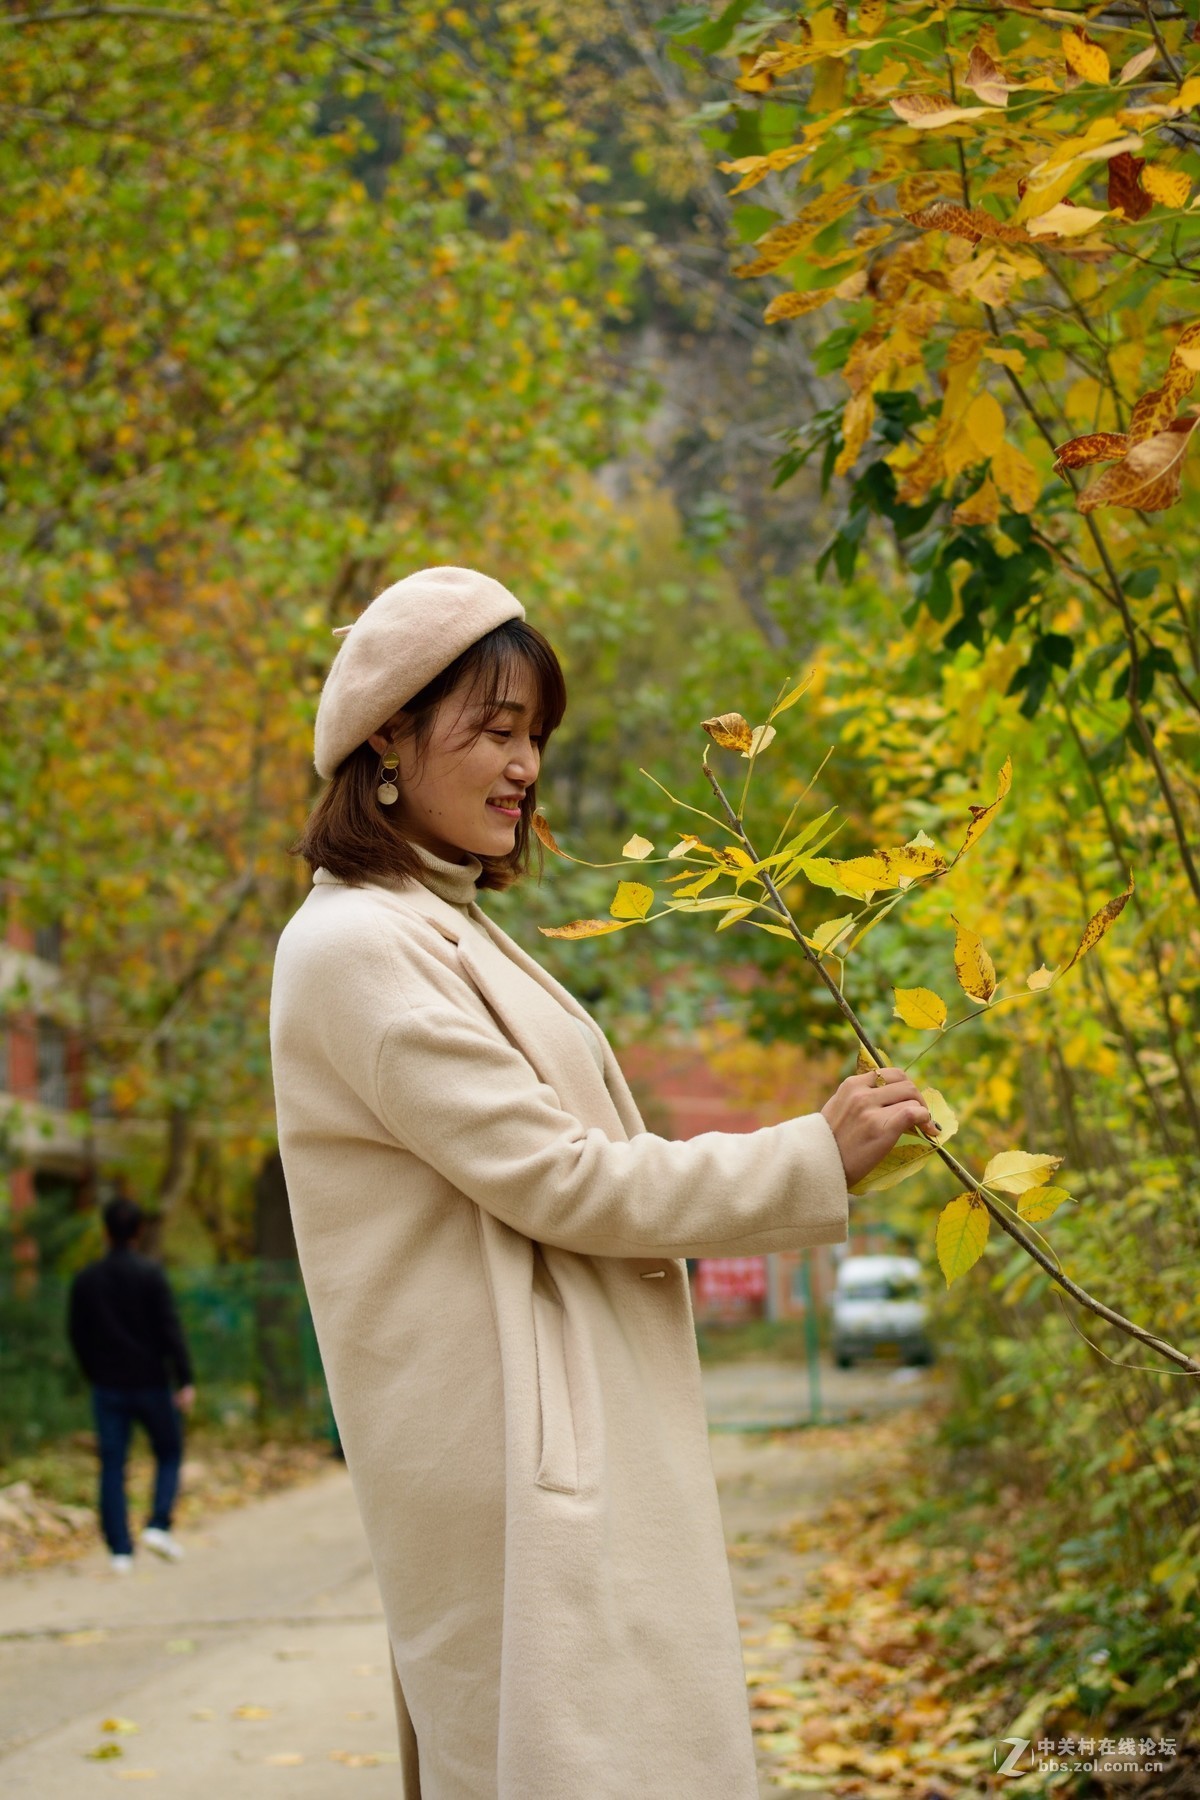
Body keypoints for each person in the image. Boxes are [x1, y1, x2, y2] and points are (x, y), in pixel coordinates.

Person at [269, 565, 933, 1799]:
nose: (527, 766)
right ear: (388, 739)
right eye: (498, 729)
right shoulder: (357, 945)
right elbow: (563, 1182)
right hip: (511, 1449)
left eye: (538, 737)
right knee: (571, 1757)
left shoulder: (438, 922)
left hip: (550, 1423)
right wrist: (804, 1155)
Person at [67, 1195, 195, 1572]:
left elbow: (77, 1335)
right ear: (139, 1231)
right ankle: (158, 1524)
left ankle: (120, 1550)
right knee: (169, 1452)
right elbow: (170, 1329)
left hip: (108, 1386)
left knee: (112, 1464)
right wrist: (184, 1378)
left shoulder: (86, 1280)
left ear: (105, 1232)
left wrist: (94, 1373)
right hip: (152, 1382)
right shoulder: (150, 1275)